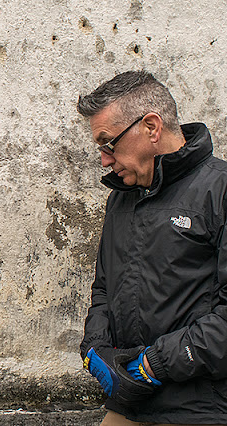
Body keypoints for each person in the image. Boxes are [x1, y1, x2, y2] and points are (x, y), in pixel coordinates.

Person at [78, 70, 227, 425]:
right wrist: (96, 349)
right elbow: (104, 288)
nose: (105, 160)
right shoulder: (123, 198)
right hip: (129, 403)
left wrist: (154, 364)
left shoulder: (219, 190)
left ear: (151, 127)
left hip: (202, 408)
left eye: (108, 143)